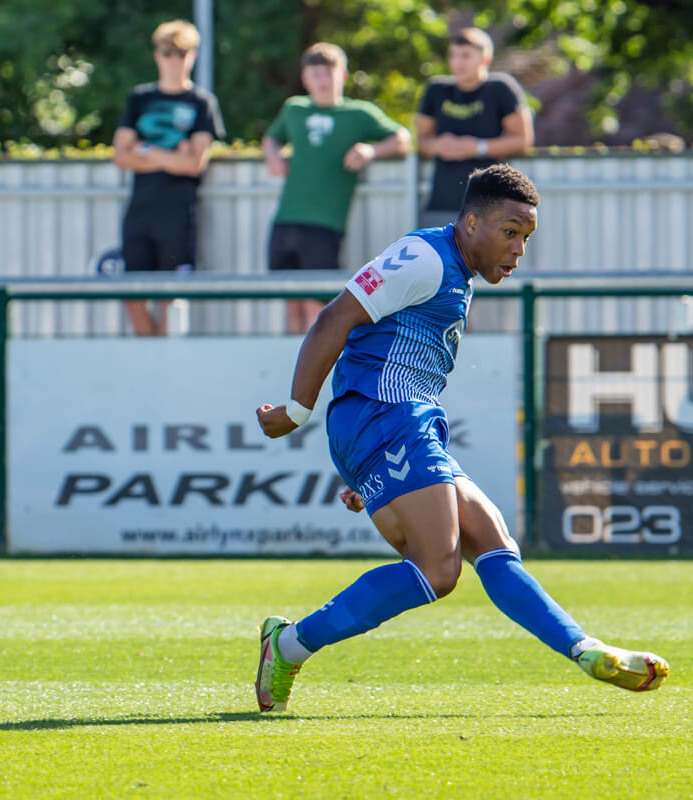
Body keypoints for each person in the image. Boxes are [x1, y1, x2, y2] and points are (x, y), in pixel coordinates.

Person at [253, 165, 669, 711]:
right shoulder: (424, 256)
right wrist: (297, 410)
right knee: (437, 568)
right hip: (386, 418)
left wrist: (367, 472)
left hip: (403, 425)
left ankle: (585, 649)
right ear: (471, 221)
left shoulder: (459, 273)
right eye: (510, 231)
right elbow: (334, 318)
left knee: (495, 544)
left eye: (526, 237)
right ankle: (286, 645)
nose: (519, 248)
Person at [263, 44, 412, 334]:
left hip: (325, 224)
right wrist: (272, 154)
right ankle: (294, 371)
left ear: (342, 75)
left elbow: (402, 138)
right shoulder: (294, 108)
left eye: (328, 74)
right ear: (306, 78)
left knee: (317, 304)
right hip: (285, 219)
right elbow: (271, 138)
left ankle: (318, 368)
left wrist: (370, 150)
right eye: (315, 74)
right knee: (290, 301)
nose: (322, 81)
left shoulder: (358, 113)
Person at [111, 19, 225, 336]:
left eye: (182, 52)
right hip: (140, 209)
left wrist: (145, 150)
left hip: (178, 212)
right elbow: (120, 156)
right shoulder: (139, 99)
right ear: (156, 55)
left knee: (170, 296)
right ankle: (148, 359)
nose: (174, 59)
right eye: (167, 52)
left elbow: (194, 165)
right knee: (132, 294)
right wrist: (173, 153)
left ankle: (164, 360)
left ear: (193, 55)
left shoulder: (202, 103)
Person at [415, 28, 534, 229]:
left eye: (466, 56)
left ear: (485, 58)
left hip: (491, 204)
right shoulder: (436, 89)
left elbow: (523, 140)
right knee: (441, 259)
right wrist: (439, 146)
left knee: (487, 260)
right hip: (442, 202)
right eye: (453, 56)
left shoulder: (501, 88)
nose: (457, 63)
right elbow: (421, 141)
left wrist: (477, 147)